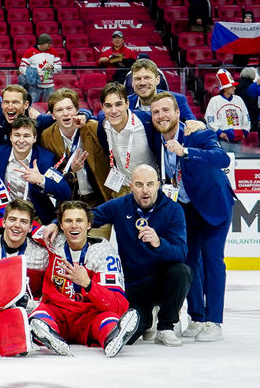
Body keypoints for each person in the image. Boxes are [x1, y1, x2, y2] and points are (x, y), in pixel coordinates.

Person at [149, 92, 232, 342]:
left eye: (166, 110)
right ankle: (197, 317)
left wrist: (186, 151)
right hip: (183, 208)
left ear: (178, 113)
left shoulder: (195, 133)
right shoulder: (155, 137)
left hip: (213, 205)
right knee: (188, 262)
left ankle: (214, 321)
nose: (161, 116)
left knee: (213, 260)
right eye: (156, 112)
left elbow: (222, 158)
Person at [85, 165, 191, 347]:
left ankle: (165, 326)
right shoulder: (120, 205)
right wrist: (57, 224)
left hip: (160, 281)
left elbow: (180, 253)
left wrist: (160, 243)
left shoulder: (174, 210)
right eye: (139, 184)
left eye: (150, 184)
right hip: (133, 284)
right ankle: (148, 319)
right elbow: (86, 217)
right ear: (131, 185)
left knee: (182, 271)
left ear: (158, 184)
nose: (145, 190)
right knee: (129, 337)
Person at [28, 200, 137, 358]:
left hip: (89, 317)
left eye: (79, 220)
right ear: (61, 225)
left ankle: (113, 336)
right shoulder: (52, 239)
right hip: (58, 313)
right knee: (40, 315)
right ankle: (46, 332)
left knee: (109, 319)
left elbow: (119, 305)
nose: (74, 225)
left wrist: (88, 284)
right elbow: (21, 223)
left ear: (89, 225)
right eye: (68, 221)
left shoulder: (104, 254)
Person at [40, 87, 109, 206]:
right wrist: (70, 170)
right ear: (52, 115)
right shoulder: (47, 137)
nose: (65, 113)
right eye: (59, 110)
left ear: (77, 110)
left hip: (100, 196)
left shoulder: (93, 128)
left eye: (69, 108)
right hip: (69, 199)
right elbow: (50, 171)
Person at [96, 82, 157, 197]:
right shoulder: (103, 123)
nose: (114, 111)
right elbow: (92, 116)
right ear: (102, 107)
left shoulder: (146, 122)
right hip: (122, 189)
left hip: (148, 189)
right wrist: (84, 114)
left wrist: (198, 124)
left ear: (127, 104)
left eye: (118, 104)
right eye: (108, 106)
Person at [128, 58, 194, 119]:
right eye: (138, 79)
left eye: (147, 78)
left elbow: (194, 126)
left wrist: (198, 125)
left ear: (157, 80)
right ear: (132, 82)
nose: (142, 83)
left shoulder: (177, 100)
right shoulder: (124, 103)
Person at [205, 69, 250, 142]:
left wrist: (245, 132)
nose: (234, 88)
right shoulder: (214, 100)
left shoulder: (238, 99)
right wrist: (220, 133)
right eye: (232, 86)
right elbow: (210, 119)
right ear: (225, 88)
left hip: (238, 138)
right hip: (222, 139)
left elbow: (246, 117)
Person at [19, 33, 61, 105]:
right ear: (43, 44)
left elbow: (59, 68)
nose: (50, 45)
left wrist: (52, 68)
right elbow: (22, 68)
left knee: (50, 106)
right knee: (31, 105)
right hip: (35, 86)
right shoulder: (29, 52)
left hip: (49, 86)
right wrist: (33, 73)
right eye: (49, 43)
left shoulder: (53, 52)